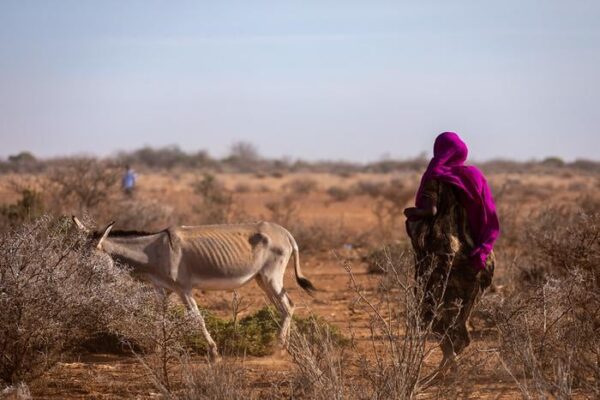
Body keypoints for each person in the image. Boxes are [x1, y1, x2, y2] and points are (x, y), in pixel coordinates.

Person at [404, 132, 499, 369]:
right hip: (476, 255)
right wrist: (483, 249)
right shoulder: (475, 177)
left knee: (433, 304)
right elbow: (489, 216)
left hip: (443, 254)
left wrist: (411, 214)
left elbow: (430, 211)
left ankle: (449, 355)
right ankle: (454, 355)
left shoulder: (434, 176)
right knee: (461, 308)